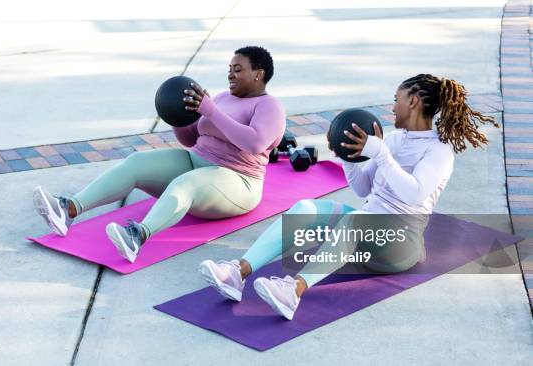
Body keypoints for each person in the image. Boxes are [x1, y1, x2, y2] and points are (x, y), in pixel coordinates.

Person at [199, 74, 498, 320]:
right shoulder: (393, 140)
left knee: (356, 219)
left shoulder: (439, 150)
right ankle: (237, 273)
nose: (393, 107)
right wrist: (349, 159)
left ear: (413, 101)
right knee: (305, 208)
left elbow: (415, 192)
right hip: (368, 229)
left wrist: (380, 153)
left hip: (401, 241)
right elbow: (365, 190)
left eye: (396, 99)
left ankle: (293, 291)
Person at [33, 46, 286, 263]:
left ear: (258, 74)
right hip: (196, 162)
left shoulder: (269, 106)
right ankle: (68, 210)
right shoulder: (221, 98)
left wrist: (211, 111)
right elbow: (190, 139)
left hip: (237, 180)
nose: (231, 73)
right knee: (137, 162)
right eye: (229, 68)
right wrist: (178, 116)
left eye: (238, 69)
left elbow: (254, 143)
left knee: (185, 183)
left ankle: (136, 237)